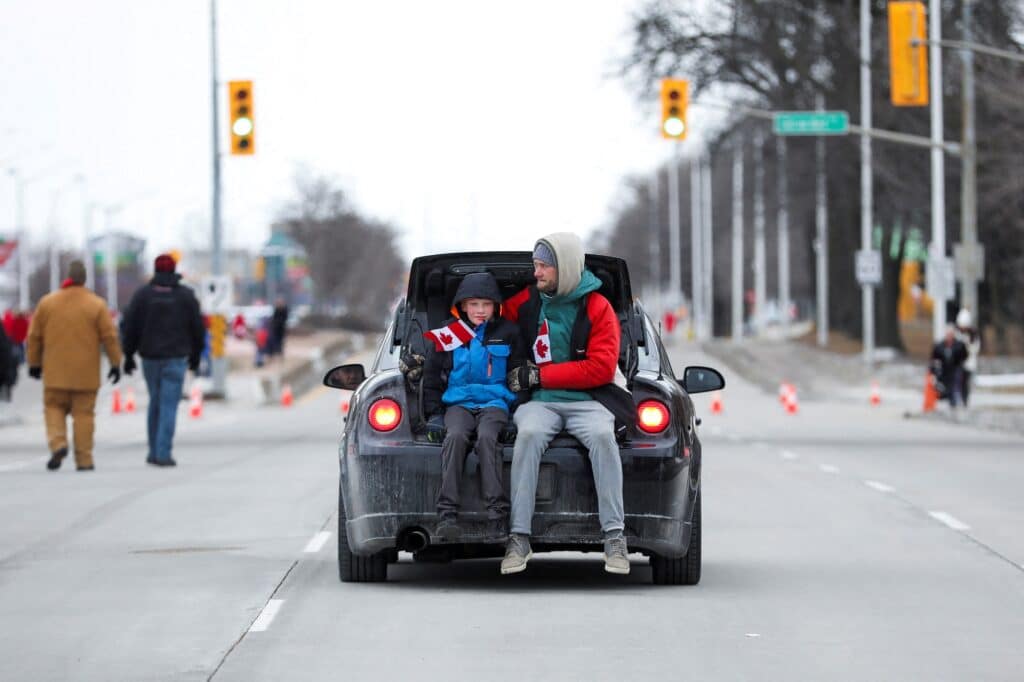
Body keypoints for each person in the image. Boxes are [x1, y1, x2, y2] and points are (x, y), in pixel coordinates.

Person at [498, 233, 635, 576]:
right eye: (536, 265)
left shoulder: (598, 307)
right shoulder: (526, 302)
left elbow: (600, 369)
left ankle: (614, 537)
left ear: (567, 267)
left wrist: (540, 377)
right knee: (527, 435)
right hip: (539, 405)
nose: (537, 272)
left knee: (604, 439)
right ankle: (519, 538)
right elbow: (483, 321)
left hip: (590, 401)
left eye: (544, 265)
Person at [401, 273, 526, 540]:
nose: (480, 311)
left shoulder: (508, 332)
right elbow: (433, 376)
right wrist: (434, 413)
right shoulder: (449, 334)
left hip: (495, 402)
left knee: (487, 438)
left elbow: (519, 375)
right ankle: (447, 514)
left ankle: (497, 516)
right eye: (473, 304)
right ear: (462, 306)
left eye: (486, 304)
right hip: (458, 403)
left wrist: (517, 412)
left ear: (496, 306)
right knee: (455, 437)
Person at [26, 261, 123, 471]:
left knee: (53, 408)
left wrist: (34, 363)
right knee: (84, 415)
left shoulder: (47, 303)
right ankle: (84, 459)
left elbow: (34, 336)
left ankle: (58, 443)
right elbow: (109, 337)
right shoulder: (96, 304)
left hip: (55, 372)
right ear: (84, 278)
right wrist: (116, 363)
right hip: (86, 375)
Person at [119, 254, 205, 467]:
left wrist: (128, 356)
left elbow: (130, 328)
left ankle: (153, 450)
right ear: (174, 270)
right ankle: (163, 452)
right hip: (176, 357)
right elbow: (197, 329)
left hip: (150, 357)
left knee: (155, 402)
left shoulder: (143, 296)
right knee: (169, 404)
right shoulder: (186, 296)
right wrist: (195, 357)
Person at [931, 324, 968, 408]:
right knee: (941, 387)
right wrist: (934, 370)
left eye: (951, 334)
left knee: (955, 385)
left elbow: (964, 356)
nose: (949, 336)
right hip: (944, 371)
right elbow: (934, 359)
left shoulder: (959, 345)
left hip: (955, 370)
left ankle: (955, 402)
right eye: (948, 334)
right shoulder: (939, 346)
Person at [955, 308, 981, 407]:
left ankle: (964, 401)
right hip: (958, 362)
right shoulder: (957, 333)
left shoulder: (973, 334)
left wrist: (966, 345)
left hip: (968, 362)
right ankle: (957, 400)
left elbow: (975, 348)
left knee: (965, 383)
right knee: (958, 381)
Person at [268, 297, 289, 361]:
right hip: (275, 329)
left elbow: (284, 319)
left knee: (281, 343)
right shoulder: (276, 309)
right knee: (274, 342)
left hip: (281, 329)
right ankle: (273, 356)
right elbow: (274, 318)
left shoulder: (284, 310)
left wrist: (277, 322)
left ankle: (280, 356)